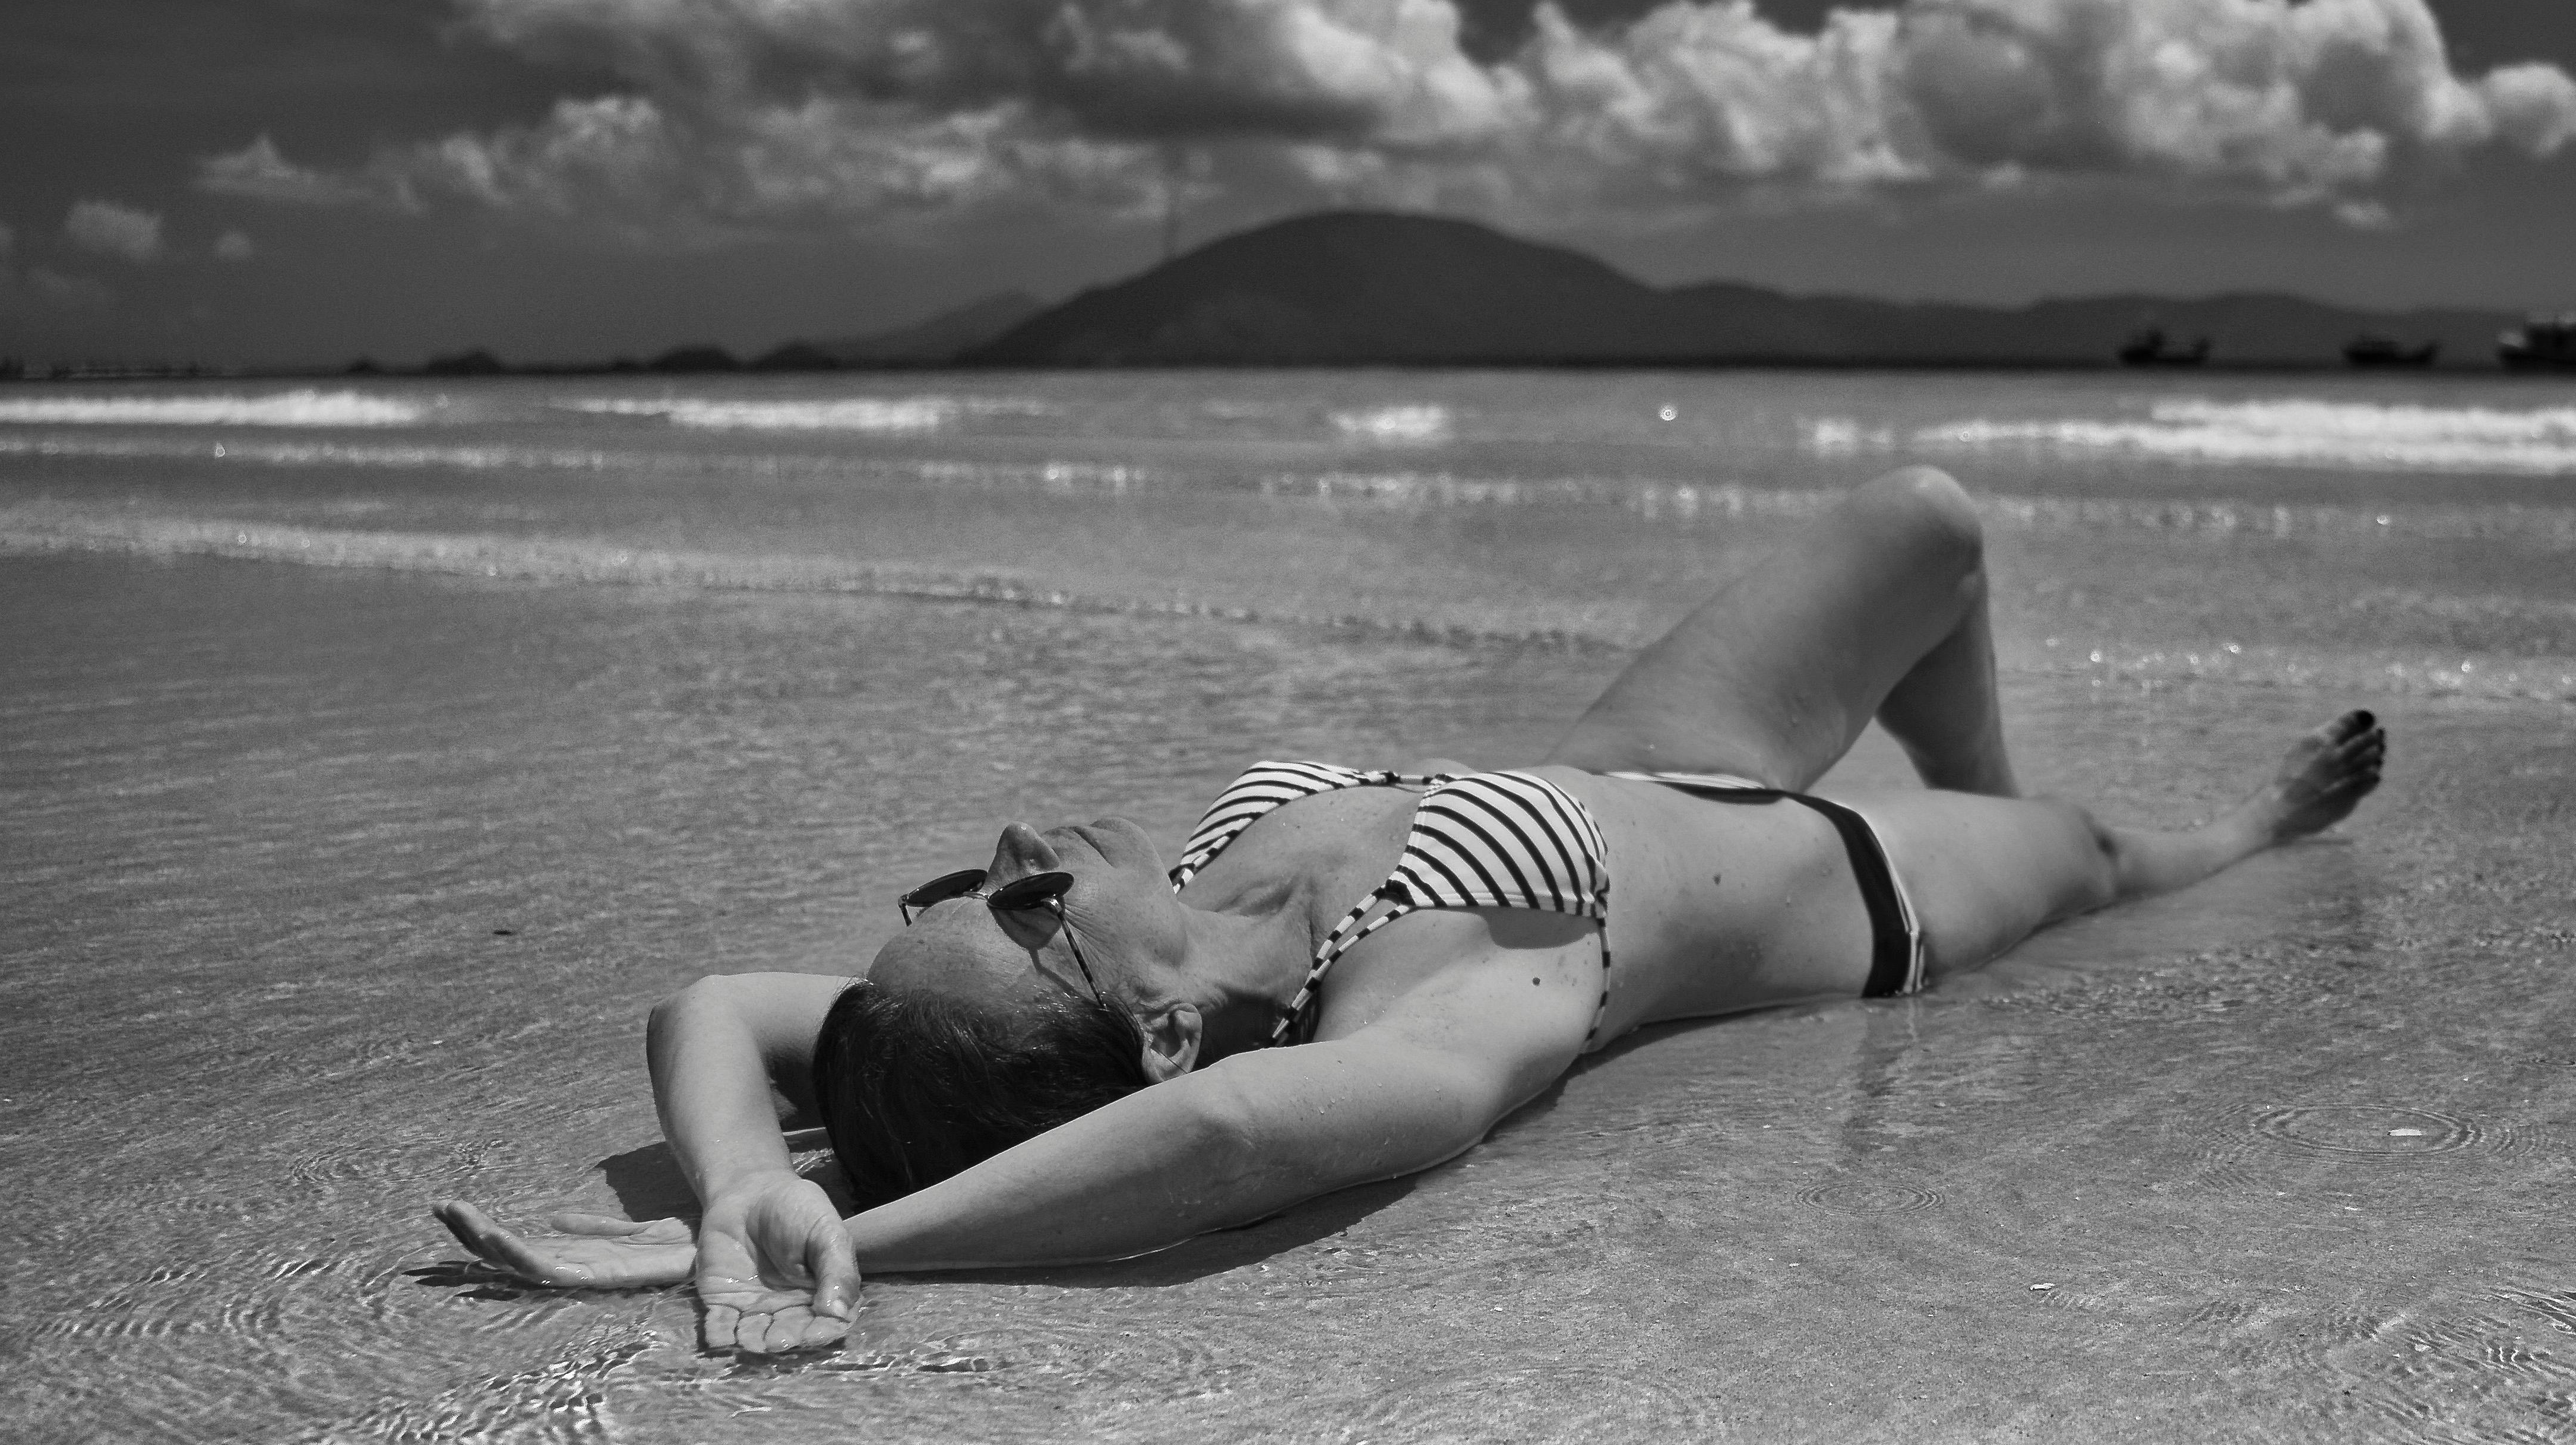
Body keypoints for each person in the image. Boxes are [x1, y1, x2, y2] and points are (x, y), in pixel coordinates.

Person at [441, 467, 2383, 1351]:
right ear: (1159, 1021)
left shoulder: (1191, 928)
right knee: (2096, 858)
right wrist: (853, 1250)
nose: (1019, 849)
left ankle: (1988, 772)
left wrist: (734, 1192)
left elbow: (712, 1006)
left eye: (973, 884)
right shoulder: (1426, 1016)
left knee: (1931, 523)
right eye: (1024, 905)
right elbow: (1209, 1148)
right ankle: (2237, 839)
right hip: (1839, 896)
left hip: (1627, 760)